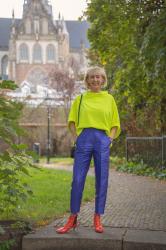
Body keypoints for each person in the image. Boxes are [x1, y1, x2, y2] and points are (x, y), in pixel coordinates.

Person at [56, 66, 120, 234]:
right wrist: (77, 137)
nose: (95, 80)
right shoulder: (80, 99)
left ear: (103, 80)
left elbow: (115, 123)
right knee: (77, 179)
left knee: (102, 179)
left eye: (99, 77)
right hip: (84, 138)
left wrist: (109, 139)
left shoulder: (109, 99)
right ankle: (73, 218)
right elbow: (71, 121)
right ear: (87, 80)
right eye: (92, 77)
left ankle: (98, 217)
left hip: (102, 140)